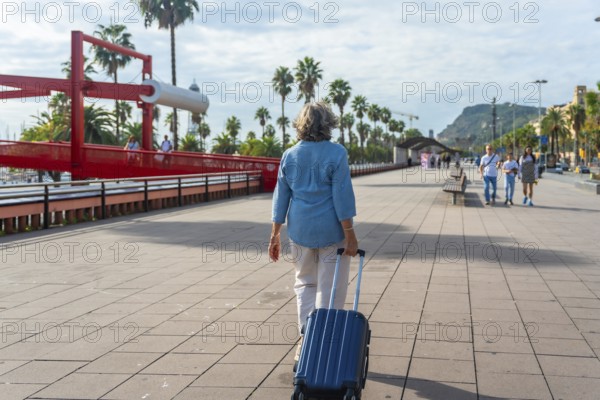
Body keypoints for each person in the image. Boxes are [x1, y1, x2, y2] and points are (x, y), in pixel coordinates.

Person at [269, 102, 358, 372]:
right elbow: (341, 197)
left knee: (304, 284)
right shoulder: (337, 153)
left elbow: (280, 196)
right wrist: (350, 234)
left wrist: (275, 235)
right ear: (328, 123)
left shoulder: (290, 155)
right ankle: (325, 345)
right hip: (332, 232)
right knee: (330, 289)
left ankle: (306, 339)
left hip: (300, 231)